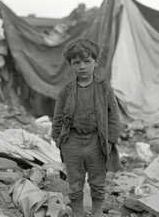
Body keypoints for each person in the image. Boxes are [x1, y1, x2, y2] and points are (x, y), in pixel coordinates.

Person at [52, 38, 121, 217]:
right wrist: (58, 139)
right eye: (76, 63)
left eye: (87, 61)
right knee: (75, 183)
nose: (82, 66)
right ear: (71, 65)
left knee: (98, 181)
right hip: (72, 141)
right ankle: (78, 213)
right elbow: (58, 117)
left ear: (95, 62)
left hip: (96, 141)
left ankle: (97, 212)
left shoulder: (104, 87)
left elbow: (113, 113)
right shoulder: (66, 90)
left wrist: (111, 139)